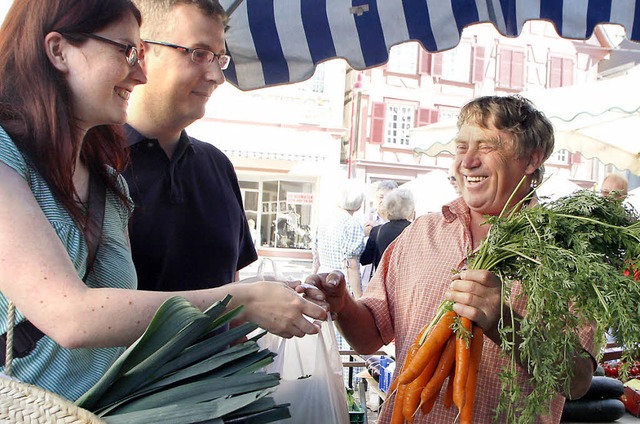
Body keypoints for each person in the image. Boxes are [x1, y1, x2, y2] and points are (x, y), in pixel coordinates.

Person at [0, 0, 326, 402]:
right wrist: (241, 300)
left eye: (219, 58)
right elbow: (72, 318)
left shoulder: (108, 181)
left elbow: (114, 346)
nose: (139, 73)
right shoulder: (7, 154)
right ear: (58, 50)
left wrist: (258, 301)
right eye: (127, 51)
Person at [301, 95, 595, 423]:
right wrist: (341, 303)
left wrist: (503, 321)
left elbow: (577, 381)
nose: (466, 162)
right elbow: (370, 337)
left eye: (486, 146)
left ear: (531, 158)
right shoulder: (419, 234)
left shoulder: (567, 256)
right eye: (460, 147)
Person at [123, 0, 257, 292]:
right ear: (142, 52)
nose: (217, 77)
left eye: (219, 58)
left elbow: (229, 288)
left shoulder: (217, 165)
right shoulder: (88, 162)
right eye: (199, 54)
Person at [312, 180, 366, 298]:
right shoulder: (352, 224)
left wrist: (313, 278)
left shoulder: (325, 220)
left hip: (322, 276)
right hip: (341, 281)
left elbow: (317, 256)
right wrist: (358, 297)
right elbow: (351, 264)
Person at [360, 188, 414, 272]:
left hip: (383, 282)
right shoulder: (415, 230)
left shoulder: (377, 231)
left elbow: (365, 260)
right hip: (407, 281)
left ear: (388, 208)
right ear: (409, 208)